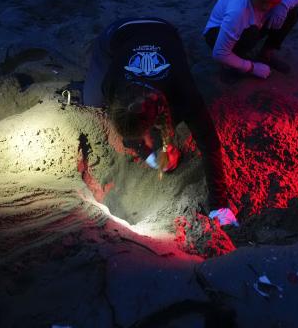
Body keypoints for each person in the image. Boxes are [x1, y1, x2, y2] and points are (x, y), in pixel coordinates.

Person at [83, 17, 236, 226]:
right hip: (119, 33)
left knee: (183, 82)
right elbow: (128, 135)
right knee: (91, 102)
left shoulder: (184, 94)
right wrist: (149, 156)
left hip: (165, 29)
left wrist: (220, 205)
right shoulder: (112, 85)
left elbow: (209, 144)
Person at [204, 0, 298, 79]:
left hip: (255, 24)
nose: (267, 7)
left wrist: (283, 4)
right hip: (218, 33)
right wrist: (252, 68)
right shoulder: (237, 11)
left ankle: (265, 54)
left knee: (291, 12)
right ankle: (235, 63)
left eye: (273, 2)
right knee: (250, 33)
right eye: (262, 1)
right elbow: (219, 53)